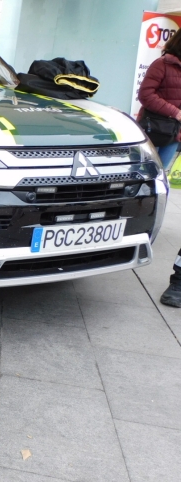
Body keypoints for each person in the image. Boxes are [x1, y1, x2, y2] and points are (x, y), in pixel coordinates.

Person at [139, 31, 181, 307]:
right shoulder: (163, 64)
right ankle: (139, 218)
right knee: (151, 177)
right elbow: (146, 94)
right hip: (160, 131)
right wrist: (175, 112)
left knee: (161, 178)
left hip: (176, 135)